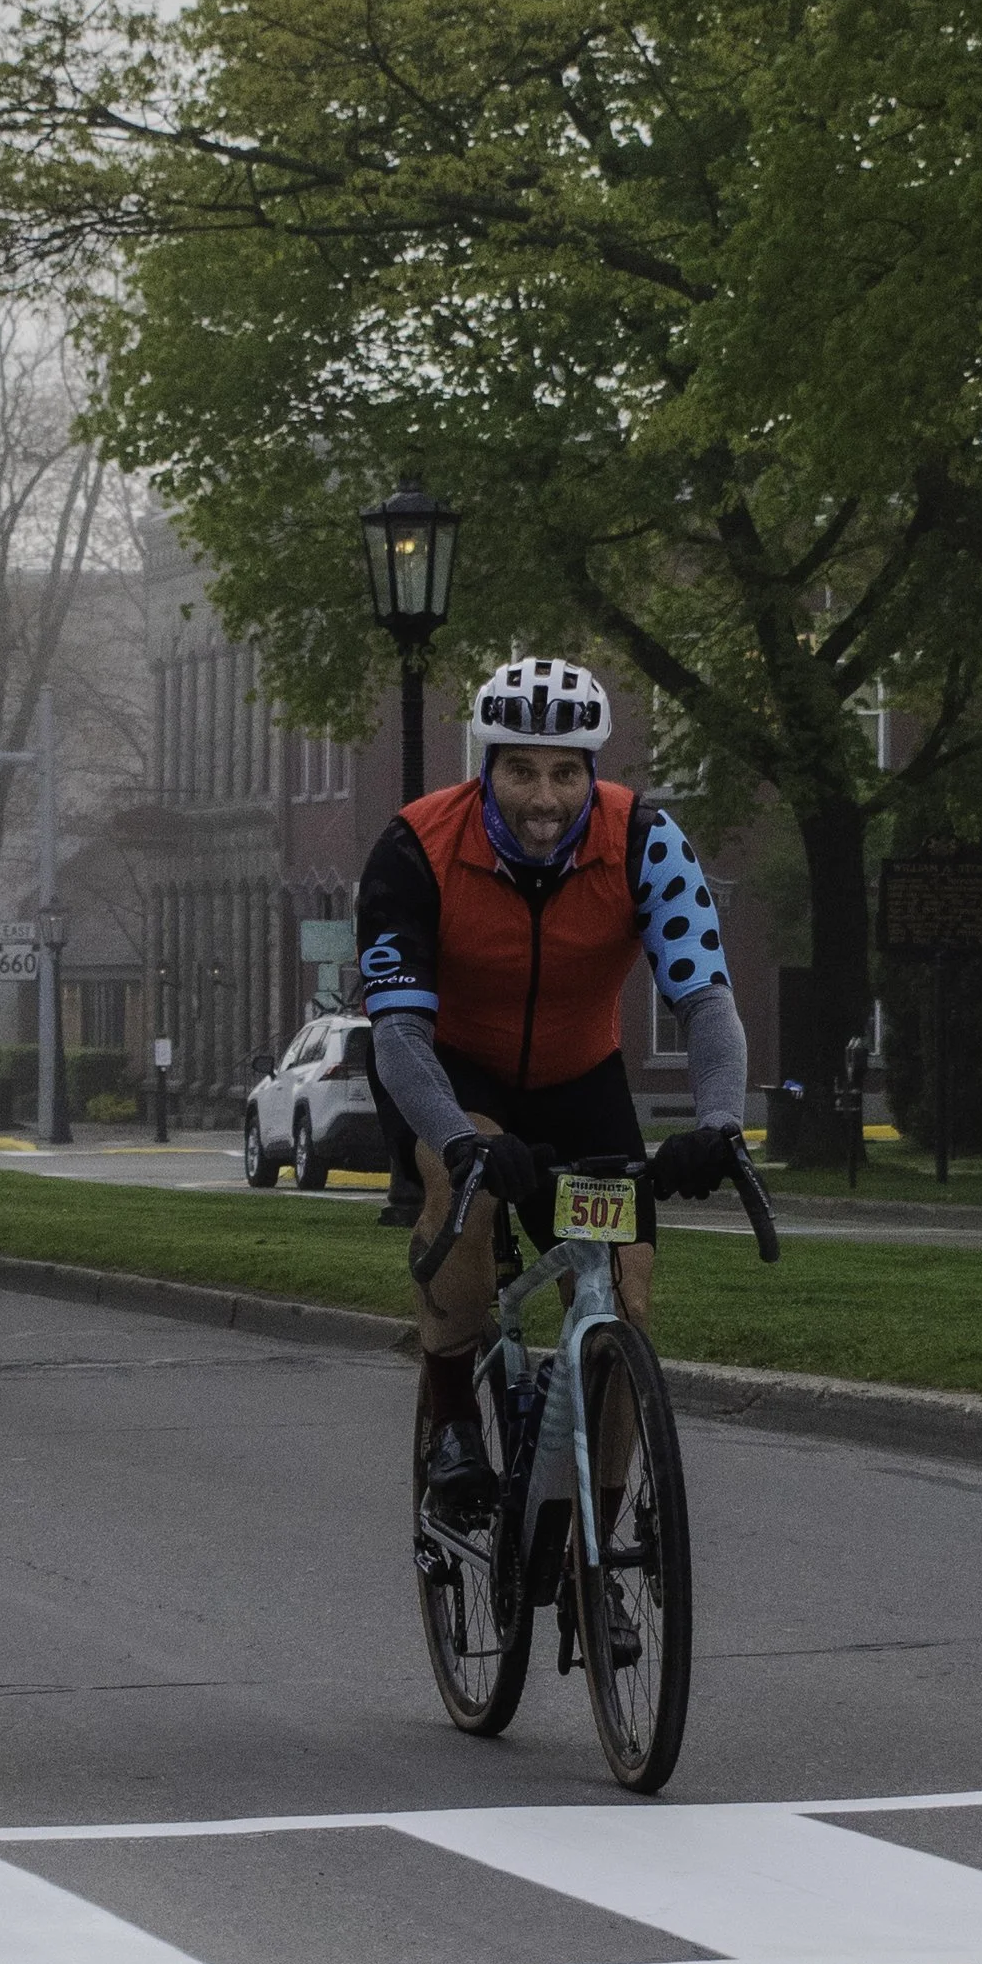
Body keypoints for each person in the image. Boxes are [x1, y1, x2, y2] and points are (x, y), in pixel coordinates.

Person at [355, 657, 751, 1540]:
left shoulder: (645, 839)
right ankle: (455, 1417)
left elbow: (707, 1004)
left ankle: (595, 1549)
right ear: (487, 767)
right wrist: (456, 1139)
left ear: (592, 773)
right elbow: (398, 1038)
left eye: (567, 771)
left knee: (621, 1307)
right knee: (472, 1185)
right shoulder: (415, 847)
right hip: (455, 1074)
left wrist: (721, 1120)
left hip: (581, 1080)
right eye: (522, 769)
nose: (546, 795)